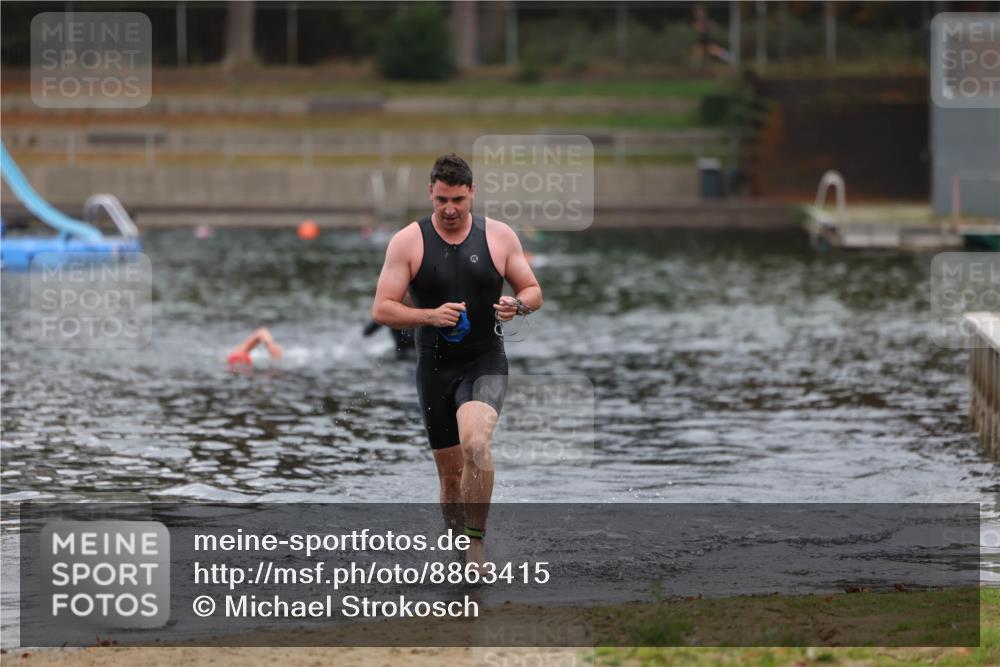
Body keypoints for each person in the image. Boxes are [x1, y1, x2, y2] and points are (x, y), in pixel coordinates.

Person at [371, 154, 543, 569]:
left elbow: (533, 290)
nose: (449, 209)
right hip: (433, 368)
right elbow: (382, 308)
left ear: (472, 194)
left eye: (458, 200)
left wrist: (517, 305)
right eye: (442, 200)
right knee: (449, 478)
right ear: (430, 193)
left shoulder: (498, 236)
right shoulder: (408, 241)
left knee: (476, 444)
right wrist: (429, 316)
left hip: (484, 360)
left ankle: (476, 545)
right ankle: (457, 551)